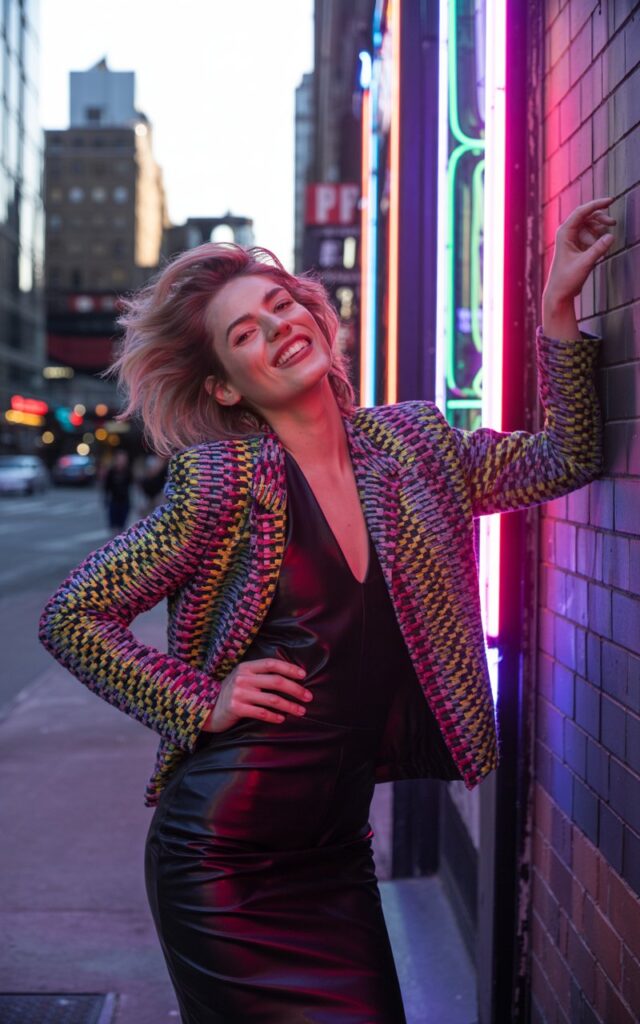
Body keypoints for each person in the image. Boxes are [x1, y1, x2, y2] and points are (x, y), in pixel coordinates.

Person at [38, 197, 616, 1024]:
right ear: (227, 388)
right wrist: (204, 699)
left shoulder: (417, 447)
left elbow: (567, 456)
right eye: (246, 334)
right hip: (223, 862)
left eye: (282, 304)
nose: (278, 328)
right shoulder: (222, 483)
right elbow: (73, 615)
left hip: (339, 856)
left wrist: (557, 307)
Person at [102, 448, 132, 531]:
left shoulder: (128, 471)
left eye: (124, 459)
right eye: (120, 459)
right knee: (113, 525)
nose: (122, 461)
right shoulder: (111, 472)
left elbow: (133, 486)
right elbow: (106, 487)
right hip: (114, 501)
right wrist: (105, 499)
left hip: (125, 501)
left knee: (122, 525)